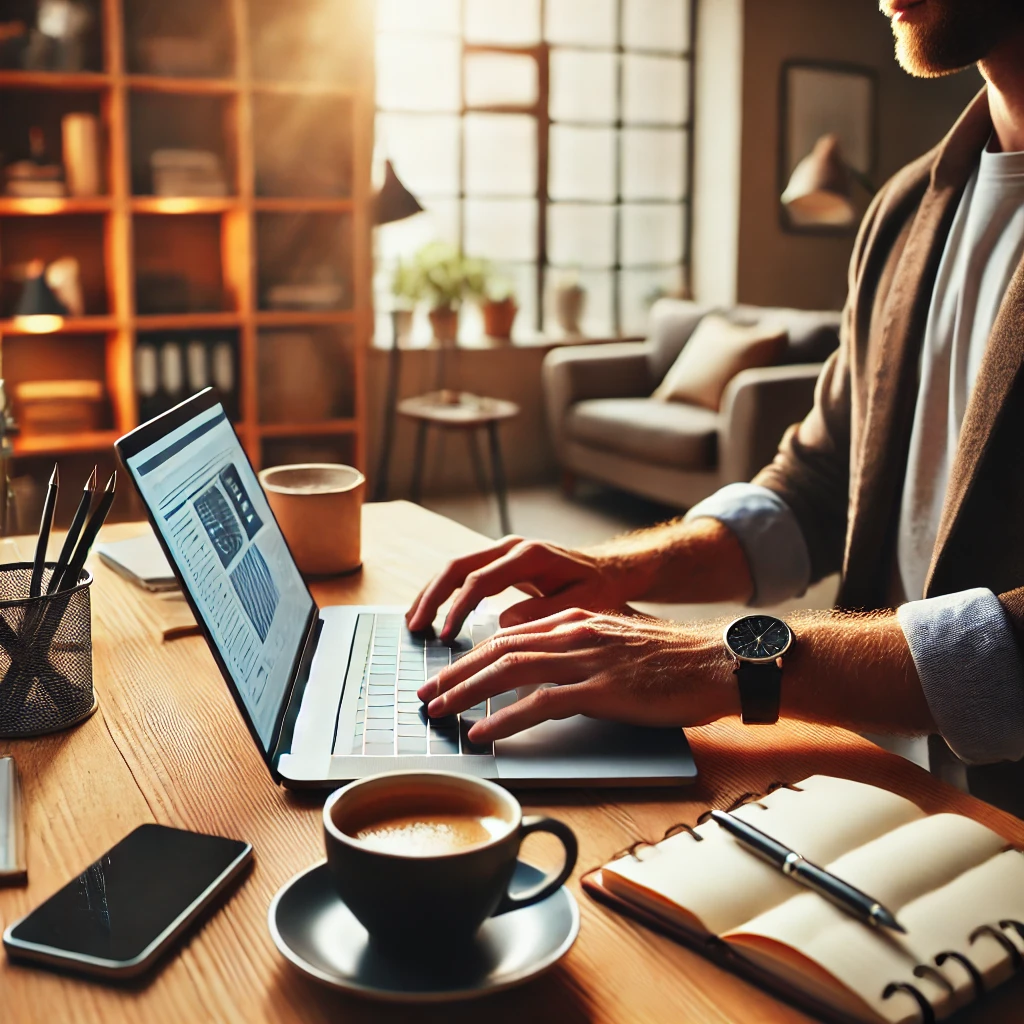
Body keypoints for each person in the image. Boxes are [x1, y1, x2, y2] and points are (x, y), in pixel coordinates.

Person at [410, 0, 1024, 812]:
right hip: (869, 777)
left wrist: (735, 659)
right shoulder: (906, 209)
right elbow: (819, 480)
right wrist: (617, 570)